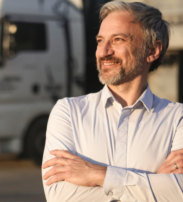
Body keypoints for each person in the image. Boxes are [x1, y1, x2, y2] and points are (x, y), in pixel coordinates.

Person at [42, 1, 183, 202]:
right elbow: (61, 196)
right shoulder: (68, 112)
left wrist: (99, 175)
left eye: (118, 39)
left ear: (152, 50)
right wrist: (155, 183)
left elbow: (180, 193)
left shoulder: (178, 118)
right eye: (100, 41)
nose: (103, 51)